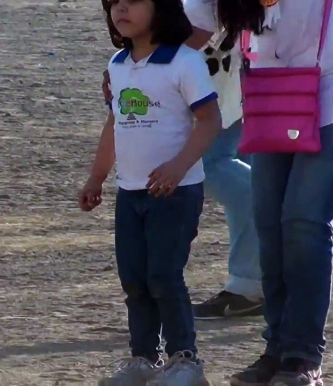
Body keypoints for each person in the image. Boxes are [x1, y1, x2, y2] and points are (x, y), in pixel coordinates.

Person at [213, 0, 333, 385]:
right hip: (274, 91)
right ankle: (276, 349)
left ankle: (303, 356)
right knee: (269, 222)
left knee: (304, 220)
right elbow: (193, 15)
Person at [80, 0, 221, 384]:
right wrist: (97, 178)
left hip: (175, 193)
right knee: (134, 279)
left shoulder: (184, 62)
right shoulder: (118, 65)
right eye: (114, 3)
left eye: (134, 0)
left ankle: (186, 360)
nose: (121, 8)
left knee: (163, 275)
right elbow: (115, 124)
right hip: (130, 192)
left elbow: (210, 122)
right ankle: (142, 359)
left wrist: (178, 167)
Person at [182, 0, 264, 319]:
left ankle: (253, 283)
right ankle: (259, 280)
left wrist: (141, 63)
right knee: (237, 171)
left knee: (211, 166)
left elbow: (198, 31)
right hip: (236, 84)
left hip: (223, 87)